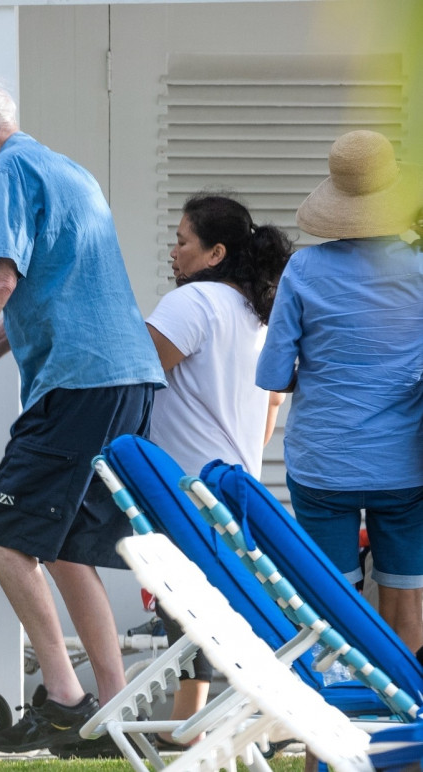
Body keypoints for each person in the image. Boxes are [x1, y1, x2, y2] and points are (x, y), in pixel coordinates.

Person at [0, 78, 166, 755]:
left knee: (0, 531)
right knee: (64, 545)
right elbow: (38, 296)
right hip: (123, 380)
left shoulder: (9, 169)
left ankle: (64, 699)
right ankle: (112, 714)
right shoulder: (63, 168)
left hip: (81, 383)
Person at [256, 129, 423, 654]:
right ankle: (408, 718)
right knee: (406, 605)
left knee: (332, 604)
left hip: (324, 464)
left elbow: (276, 376)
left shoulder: (303, 269)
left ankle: (336, 721)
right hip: (406, 465)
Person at [145, 193, 292, 747]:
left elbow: (136, 374)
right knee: (207, 606)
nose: (174, 250)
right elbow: (273, 405)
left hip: (185, 485)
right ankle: (193, 721)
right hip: (234, 485)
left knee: (185, 606)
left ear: (215, 253)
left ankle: (204, 721)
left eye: (183, 241)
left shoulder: (193, 303)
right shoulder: (256, 313)